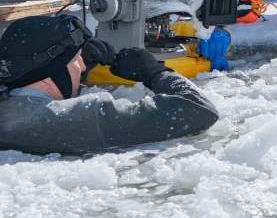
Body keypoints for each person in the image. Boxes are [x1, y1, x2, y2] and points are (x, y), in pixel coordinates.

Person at [0, 15, 219, 155]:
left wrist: (74, 70)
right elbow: (198, 110)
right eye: (77, 59)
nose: (82, 65)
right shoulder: (79, 119)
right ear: (52, 73)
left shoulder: (9, 110)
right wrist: (155, 73)